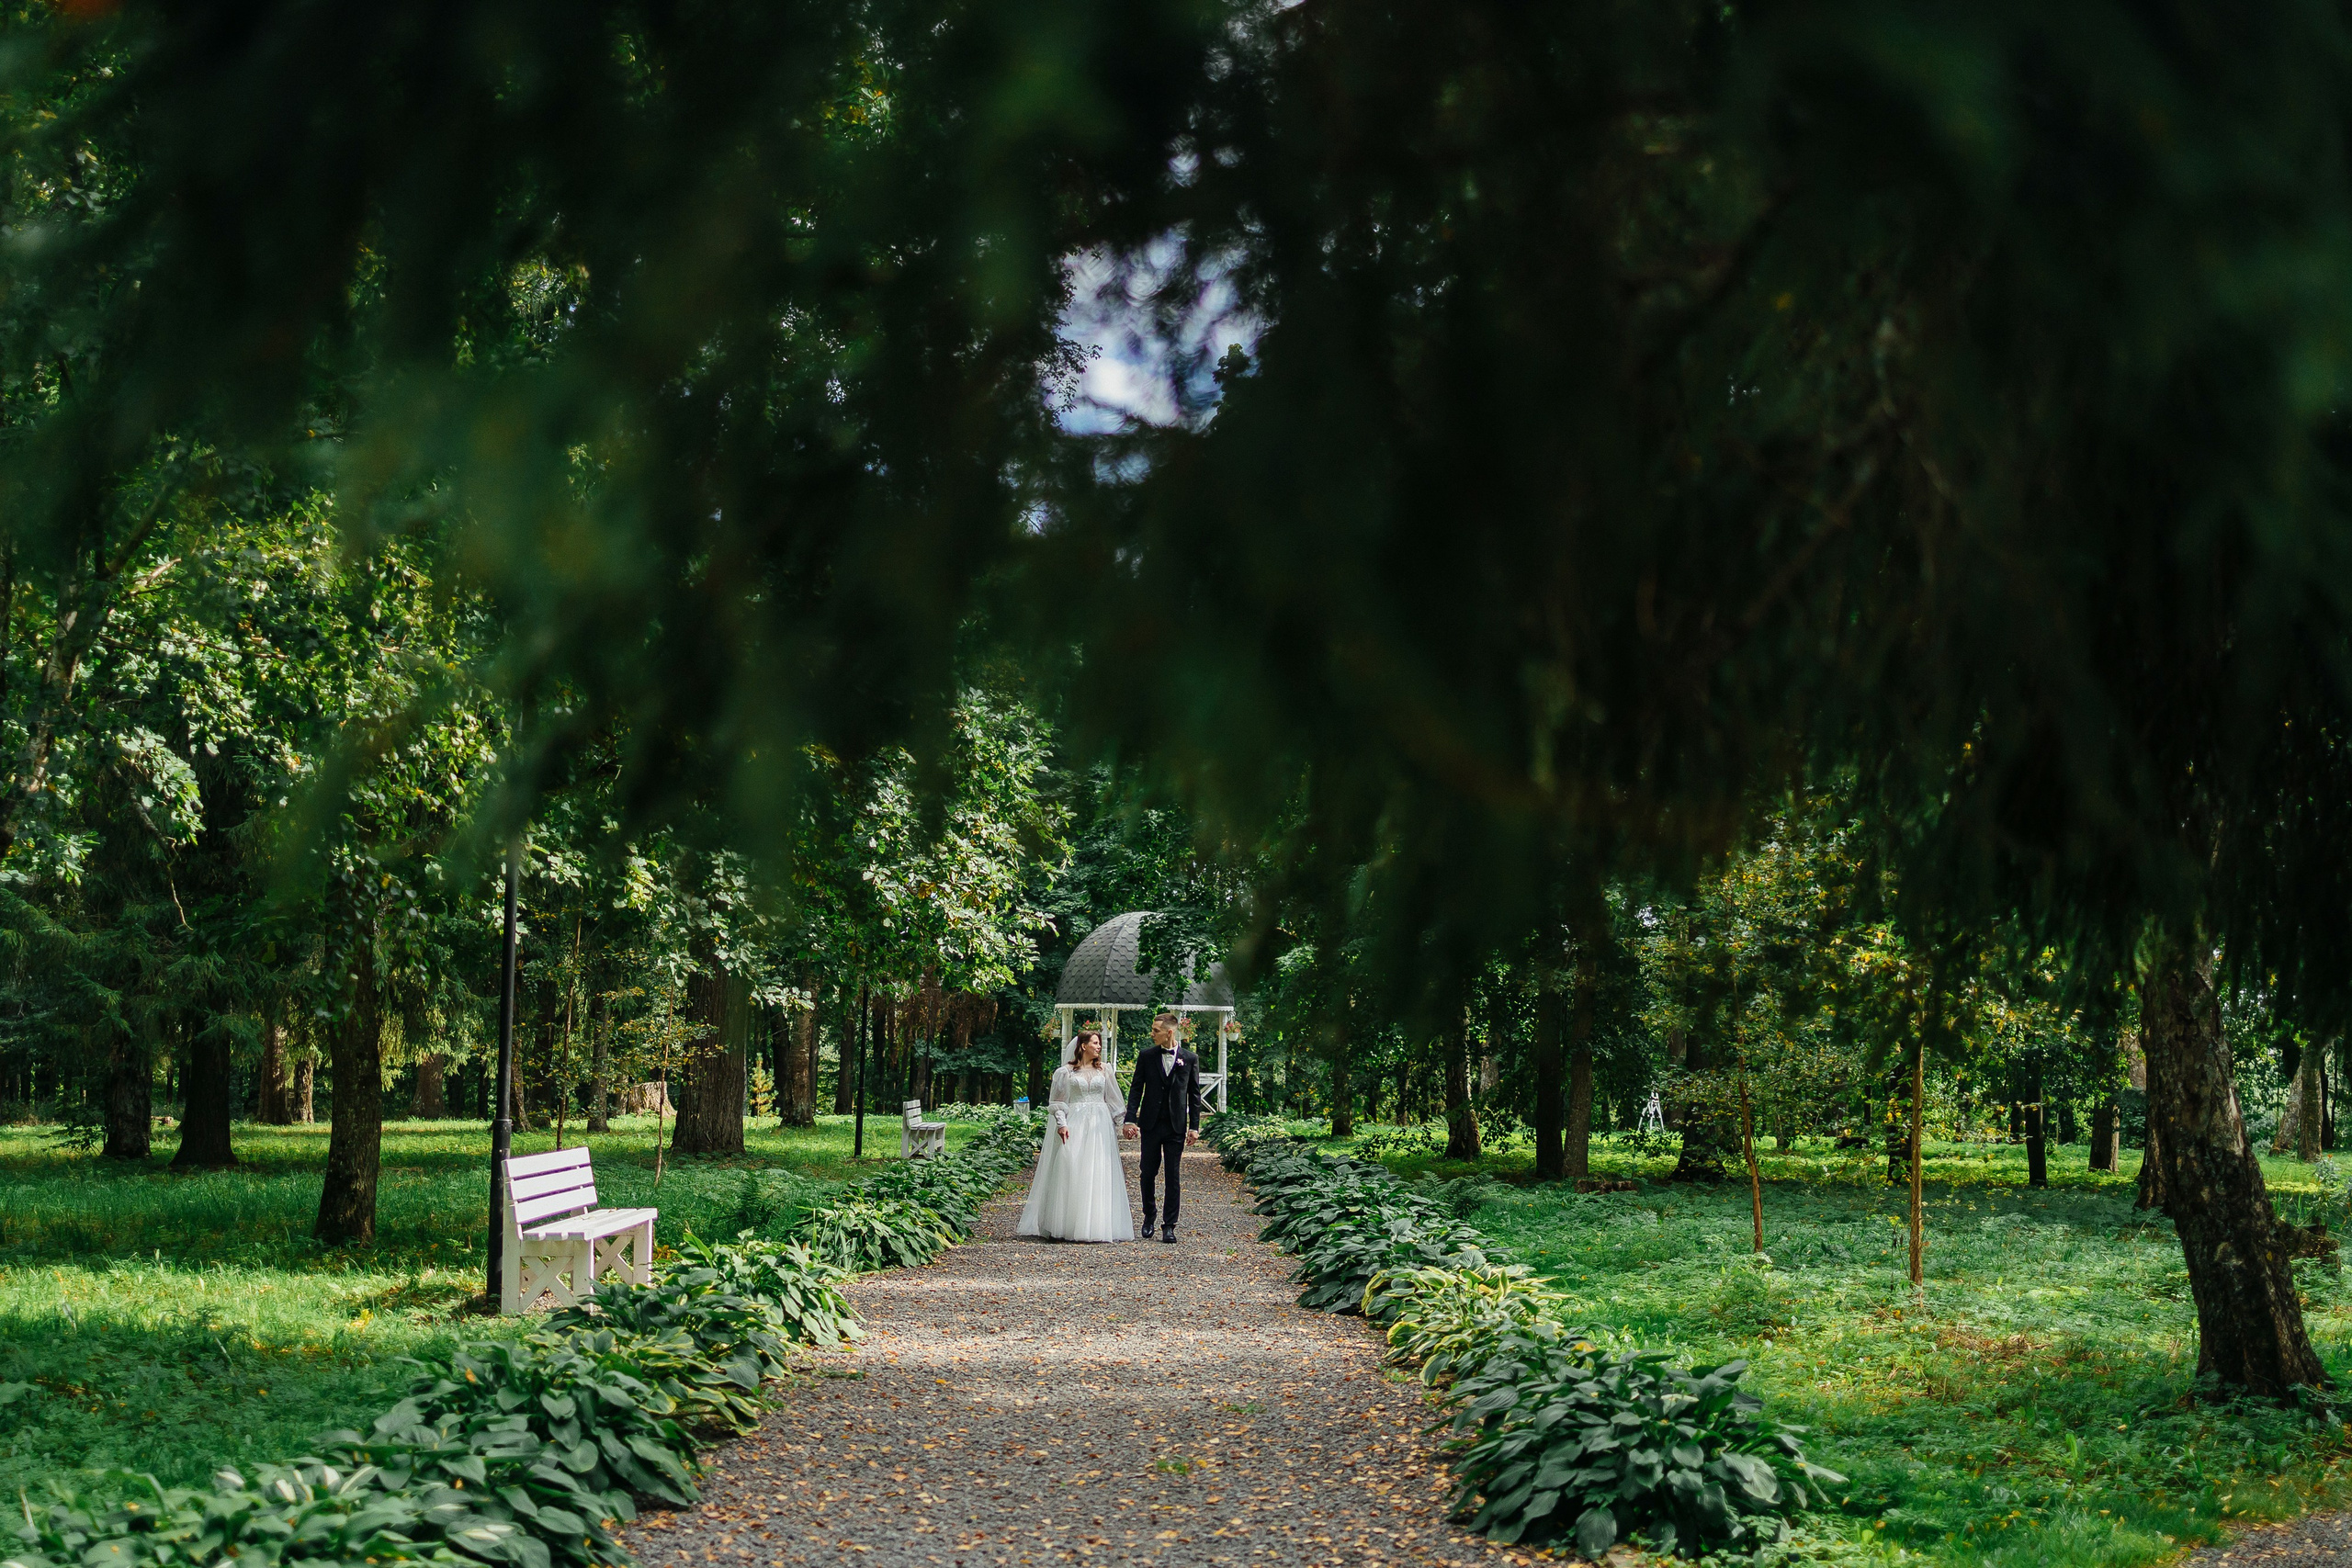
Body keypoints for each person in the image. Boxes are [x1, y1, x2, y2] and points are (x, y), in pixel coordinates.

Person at [1014, 1030, 1135, 1242]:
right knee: (1072, 1166)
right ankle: (1067, 1222)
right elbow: (1058, 1101)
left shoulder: (1105, 1071)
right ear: (1083, 1046)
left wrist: (1124, 1125)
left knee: (1096, 1169)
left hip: (1100, 1124)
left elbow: (1114, 1100)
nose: (1099, 1047)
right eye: (1095, 1043)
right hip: (1076, 1122)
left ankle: (1095, 1225)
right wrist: (1061, 1123)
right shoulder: (1065, 1072)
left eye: (1099, 1043)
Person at [1121, 1011, 1203, 1243]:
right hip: (1151, 1124)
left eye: (1155, 1031)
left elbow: (1194, 1095)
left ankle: (1169, 1225)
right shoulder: (1146, 1056)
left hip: (1176, 1126)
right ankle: (1149, 1216)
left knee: (1173, 1175)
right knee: (1147, 1172)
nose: (1152, 1034)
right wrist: (1130, 1119)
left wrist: (1194, 1126)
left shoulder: (1190, 1058)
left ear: (1169, 1032)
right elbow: (1136, 1089)